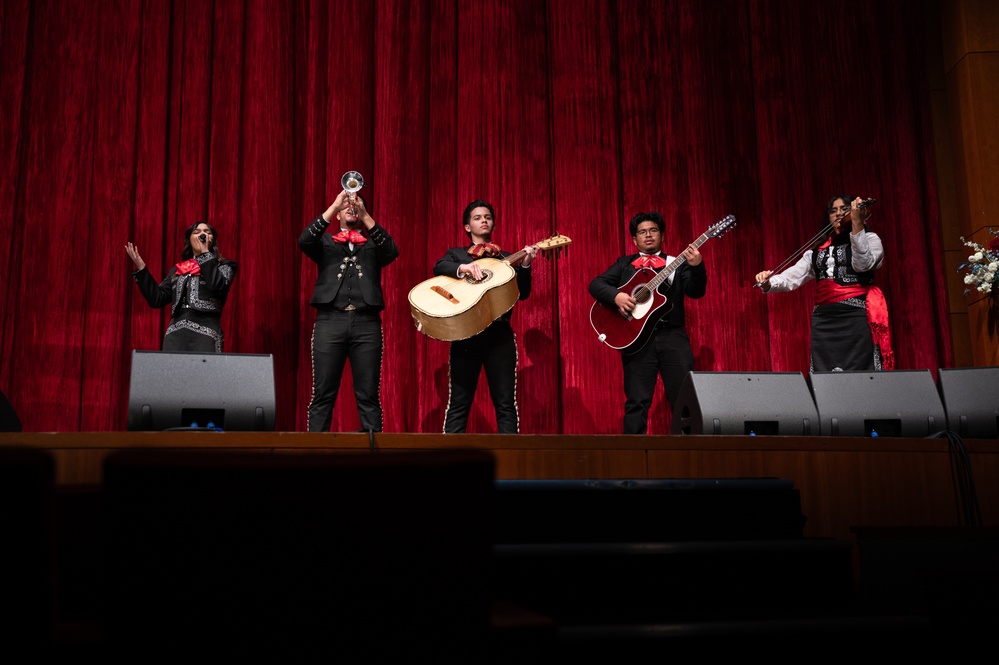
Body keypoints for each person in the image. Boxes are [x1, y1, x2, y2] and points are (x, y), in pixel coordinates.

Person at [589, 211, 707, 434]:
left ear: (662, 235)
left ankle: (689, 457)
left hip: (672, 337)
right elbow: (596, 284)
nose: (648, 235)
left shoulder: (676, 263)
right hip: (636, 339)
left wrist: (697, 266)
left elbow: (696, 291)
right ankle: (632, 460)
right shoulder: (625, 264)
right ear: (635, 239)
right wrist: (616, 296)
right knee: (636, 402)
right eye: (642, 232)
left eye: (653, 230)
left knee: (685, 401)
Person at [754, 195, 894, 372]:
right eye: (833, 211)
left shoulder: (871, 239)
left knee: (859, 373)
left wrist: (858, 227)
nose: (838, 214)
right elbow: (793, 276)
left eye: (844, 209)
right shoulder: (818, 249)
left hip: (856, 316)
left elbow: (863, 265)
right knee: (825, 374)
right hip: (824, 320)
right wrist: (768, 282)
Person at [433, 200, 539, 433]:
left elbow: (523, 294)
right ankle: (448, 463)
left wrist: (526, 264)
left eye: (488, 217)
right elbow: (439, 267)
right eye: (478, 217)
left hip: (499, 336)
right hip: (466, 335)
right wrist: (465, 268)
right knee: (459, 404)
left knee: (505, 404)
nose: (484, 220)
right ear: (467, 227)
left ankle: (510, 464)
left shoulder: (508, 258)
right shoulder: (456, 254)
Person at [300, 189, 399, 433]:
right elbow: (305, 241)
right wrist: (334, 205)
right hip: (329, 321)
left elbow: (392, 251)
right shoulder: (324, 242)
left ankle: (373, 458)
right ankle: (315, 455)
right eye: (347, 205)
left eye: (357, 204)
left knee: (368, 393)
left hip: (367, 323)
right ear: (337, 214)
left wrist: (365, 216)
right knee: (323, 392)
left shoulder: (373, 243)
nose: (351, 207)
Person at [125, 221, 237, 353]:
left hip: (206, 331)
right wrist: (142, 268)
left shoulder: (225, 266)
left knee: (204, 372)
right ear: (189, 239)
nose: (202, 234)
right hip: (176, 333)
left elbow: (217, 286)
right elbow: (157, 299)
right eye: (197, 232)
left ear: (212, 239)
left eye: (207, 232)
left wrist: (205, 253)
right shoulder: (178, 270)